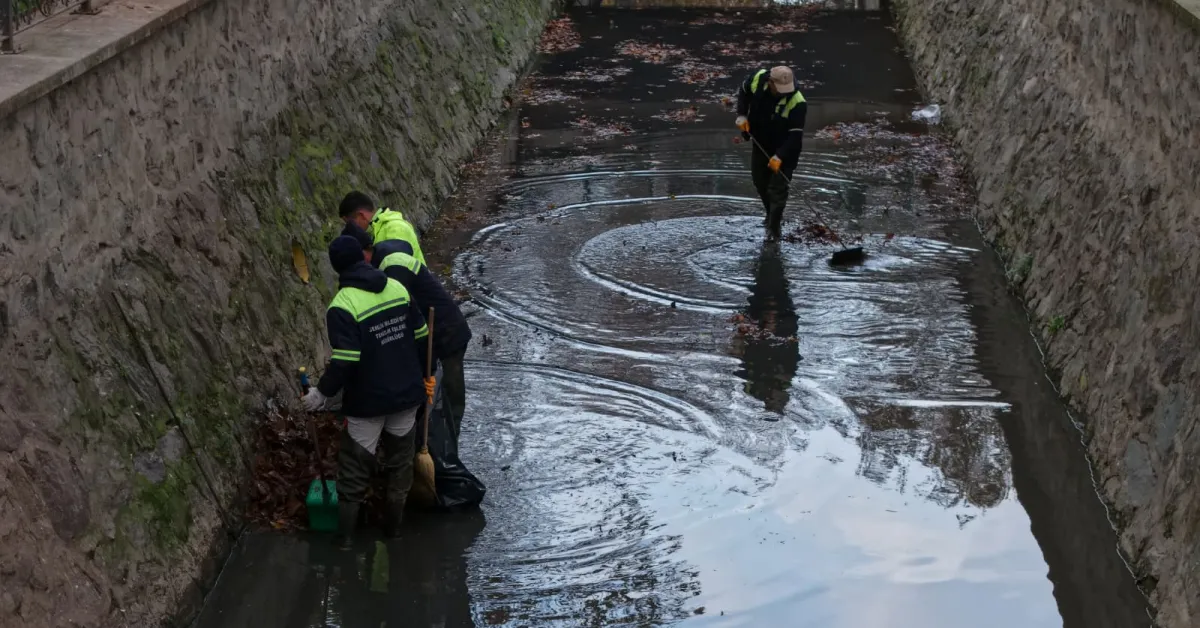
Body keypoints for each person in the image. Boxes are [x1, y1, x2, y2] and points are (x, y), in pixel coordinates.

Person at [302, 235, 437, 546]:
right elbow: (421, 335)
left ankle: (345, 543)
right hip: (406, 398)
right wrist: (424, 377)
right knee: (400, 466)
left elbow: (347, 357)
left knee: (353, 473)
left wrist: (321, 394)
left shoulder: (343, 304)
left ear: (336, 267)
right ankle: (394, 533)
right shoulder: (397, 288)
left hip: (367, 404)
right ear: (365, 258)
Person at [735, 66, 808, 241]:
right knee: (759, 181)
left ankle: (774, 232)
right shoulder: (757, 79)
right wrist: (742, 114)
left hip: (786, 149)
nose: (784, 93)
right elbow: (743, 92)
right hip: (761, 142)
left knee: (777, 189)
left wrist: (780, 156)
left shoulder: (798, 102)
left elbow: (795, 136)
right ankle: (770, 216)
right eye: (779, 89)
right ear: (770, 82)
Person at [339, 191, 426, 265]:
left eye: (349, 223)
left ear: (361, 215)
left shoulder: (395, 228)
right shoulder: (375, 231)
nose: (350, 227)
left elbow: (398, 272)